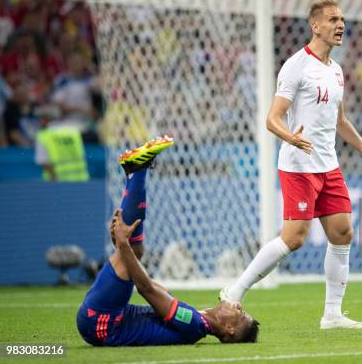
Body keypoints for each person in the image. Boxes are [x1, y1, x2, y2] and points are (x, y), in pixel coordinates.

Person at [221, 0, 362, 329]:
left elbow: (341, 121)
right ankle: (234, 291)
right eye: (334, 19)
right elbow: (272, 118)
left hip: (328, 165)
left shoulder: (336, 71)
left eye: (343, 20)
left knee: (343, 233)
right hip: (299, 165)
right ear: (315, 25)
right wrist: (290, 136)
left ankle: (332, 315)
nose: (341, 25)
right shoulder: (296, 66)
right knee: (294, 237)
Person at [77, 136, 259, 346]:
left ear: (230, 329)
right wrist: (121, 249)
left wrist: (123, 246)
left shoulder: (193, 324)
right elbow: (151, 287)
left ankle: (137, 171)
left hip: (102, 325)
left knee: (134, 252)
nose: (238, 306)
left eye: (242, 313)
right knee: (135, 254)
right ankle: (135, 173)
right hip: (107, 319)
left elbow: (146, 289)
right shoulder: (196, 320)